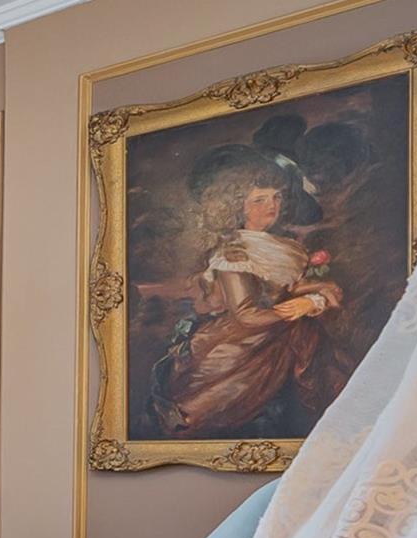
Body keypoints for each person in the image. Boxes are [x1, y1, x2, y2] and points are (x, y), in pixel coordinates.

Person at [149, 122, 349, 440]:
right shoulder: (235, 253)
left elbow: (283, 287)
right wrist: (298, 307)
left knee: (313, 339)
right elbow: (246, 314)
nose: (271, 206)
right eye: (259, 200)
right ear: (237, 206)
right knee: (301, 335)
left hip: (276, 327)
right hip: (240, 341)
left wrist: (315, 289)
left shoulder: (287, 248)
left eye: (276, 198)